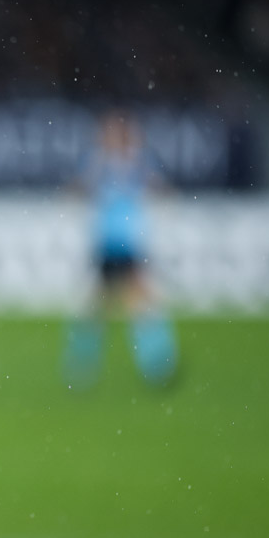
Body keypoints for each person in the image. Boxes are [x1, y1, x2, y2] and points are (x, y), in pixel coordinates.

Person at [64, 108, 178, 388]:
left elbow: (160, 189)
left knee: (129, 304)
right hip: (108, 243)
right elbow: (76, 191)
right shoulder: (100, 163)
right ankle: (155, 362)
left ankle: (154, 362)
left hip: (127, 243)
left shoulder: (136, 162)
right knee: (110, 307)